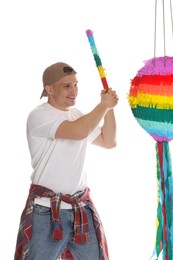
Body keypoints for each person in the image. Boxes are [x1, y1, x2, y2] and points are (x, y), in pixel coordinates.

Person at [14, 62, 118, 260]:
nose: (74, 91)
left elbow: (108, 141)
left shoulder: (77, 115)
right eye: (67, 86)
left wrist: (109, 108)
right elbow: (78, 132)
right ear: (49, 89)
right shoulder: (39, 115)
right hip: (46, 211)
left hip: (80, 208)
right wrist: (103, 105)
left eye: (76, 84)